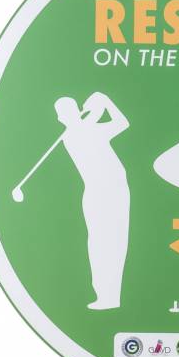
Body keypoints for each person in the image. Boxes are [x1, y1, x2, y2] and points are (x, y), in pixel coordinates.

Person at [55, 91, 130, 310]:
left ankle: (111, 297)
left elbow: (115, 122)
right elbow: (121, 122)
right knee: (102, 243)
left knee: (115, 241)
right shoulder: (75, 135)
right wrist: (103, 100)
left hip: (115, 192)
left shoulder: (85, 128)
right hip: (101, 194)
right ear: (62, 118)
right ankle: (105, 295)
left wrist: (101, 102)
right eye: (65, 113)